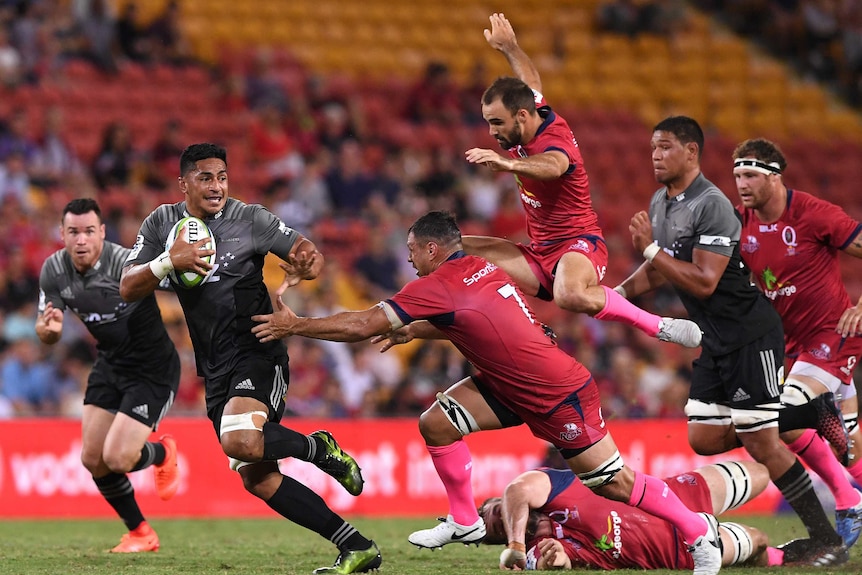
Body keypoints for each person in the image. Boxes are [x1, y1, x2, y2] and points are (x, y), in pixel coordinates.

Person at [252, 210, 723, 575]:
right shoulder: (479, 267)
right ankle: (465, 519)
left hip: (556, 393)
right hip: (511, 384)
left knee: (613, 483)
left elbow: (361, 325)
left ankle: (697, 533)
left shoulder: (434, 285)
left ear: (433, 249)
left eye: (413, 251)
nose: (410, 260)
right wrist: (415, 332)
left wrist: (296, 325)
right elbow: (475, 324)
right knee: (436, 423)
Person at [118, 143, 380, 575]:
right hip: (214, 364)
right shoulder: (162, 223)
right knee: (258, 478)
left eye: (222, 176)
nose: (217, 185)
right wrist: (169, 260)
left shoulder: (251, 218)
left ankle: (320, 448)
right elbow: (128, 287)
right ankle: (356, 546)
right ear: (183, 183)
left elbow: (308, 253)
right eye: (205, 177)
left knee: (238, 440)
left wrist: (305, 266)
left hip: (259, 346)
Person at [613, 116, 848, 566]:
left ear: (691, 152)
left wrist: (649, 249)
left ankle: (825, 539)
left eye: (664, 147)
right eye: (652, 148)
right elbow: (660, 267)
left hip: (749, 334)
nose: (655, 156)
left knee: (760, 440)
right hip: (715, 339)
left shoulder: (712, 204)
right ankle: (804, 412)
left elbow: (703, 282)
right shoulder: (662, 203)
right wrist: (618, 295)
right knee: (703, 438)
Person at [462, 13, 701, 349]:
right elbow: (531, 82)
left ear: (520, 117)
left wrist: (506, 164)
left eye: (497, 123)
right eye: (489, 123)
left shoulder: (551, 141)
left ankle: (658, 325)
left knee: (569, 294)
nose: (491, 132)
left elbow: (554, 166)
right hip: (539, 253)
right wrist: (510, 48)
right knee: (449, 247)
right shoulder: (532, 112)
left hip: (579, 244)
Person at [733, 137, 862, 547]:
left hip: (833, 335)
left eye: (750, 174)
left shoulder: (813, 214)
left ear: (775, 176)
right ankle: (849, 498)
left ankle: (823, 416)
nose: (742, 183)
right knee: (852, 454)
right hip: (790, 345)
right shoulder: (742, 222)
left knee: (782, 413)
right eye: (737, 175)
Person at [35, 198, 180, 553]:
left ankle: (162, 454)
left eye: (88, 231)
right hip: (110, 364)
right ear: (62, 234)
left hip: (152, 369)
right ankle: (141, 533)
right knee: (92, 459)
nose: (81, 240)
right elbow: (48, 332)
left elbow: (182, 285)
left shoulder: (127, 263)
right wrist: (49, 331)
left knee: (117, 458)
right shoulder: (53, 270)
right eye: (73, 232)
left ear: (101, 232)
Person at [479, 460, 784, 570]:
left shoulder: (545, 487)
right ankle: (782, 556)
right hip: (673, 549)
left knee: (760, 472)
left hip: (675, 494)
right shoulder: (536, 549)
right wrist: (553, 556)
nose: (507, 522)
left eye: (501, 514)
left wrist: (514, 542)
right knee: (758, 541)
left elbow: (517, 490)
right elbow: (556, 561)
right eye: (500, 529)